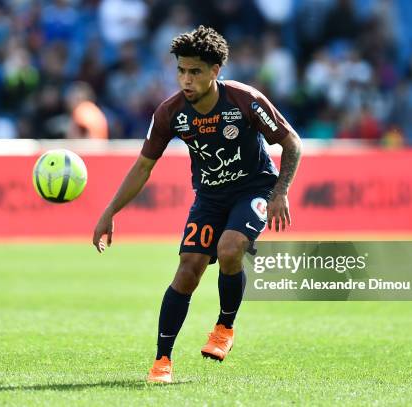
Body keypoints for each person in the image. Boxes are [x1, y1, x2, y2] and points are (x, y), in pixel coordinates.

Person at [92, 26, 301, 384]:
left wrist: (280, 190)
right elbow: (143, 165)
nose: (186, 80)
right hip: (209, 197)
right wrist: (110, 211)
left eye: (195, 72)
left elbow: (292, 143)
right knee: (189, 269)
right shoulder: (170, 113)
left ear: (215, 71)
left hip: (254, 189)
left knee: (230, 247)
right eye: (181, 71)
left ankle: (224, 327)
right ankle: (162, 360)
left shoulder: (245, 101)